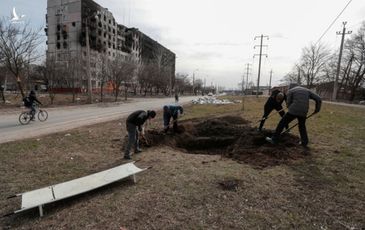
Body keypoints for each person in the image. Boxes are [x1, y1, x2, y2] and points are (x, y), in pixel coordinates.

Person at [265, 83, 322, 147]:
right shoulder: (307, 90)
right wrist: (317, 109)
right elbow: (319, 99)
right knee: (302, 126)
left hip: (293, 110)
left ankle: (274, 139)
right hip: (304, 111)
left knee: (282, 123)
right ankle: (304, 142)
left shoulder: (290, 91)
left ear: (290, 87)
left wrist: (290, 107)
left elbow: (288, 103)